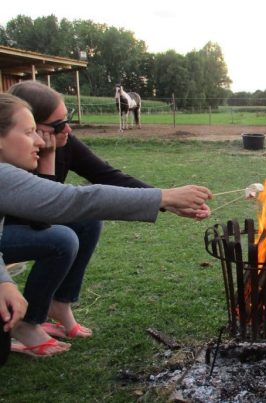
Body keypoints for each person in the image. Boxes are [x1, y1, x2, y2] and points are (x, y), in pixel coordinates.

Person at [0, 92, 212, 358]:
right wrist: (163, 196)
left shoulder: (56, 146)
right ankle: (28, 324)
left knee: (85, 223)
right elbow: (67, 204)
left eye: (68, 119)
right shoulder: (5, 175)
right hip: (21, 231)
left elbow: (107, 177)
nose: (66, 130)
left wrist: (166, 202)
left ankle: (58, 304)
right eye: (33, 131)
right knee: (62, 238)